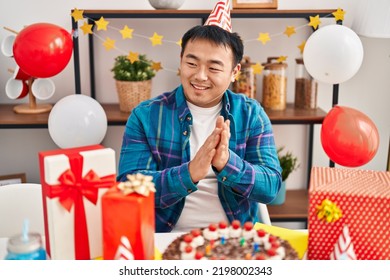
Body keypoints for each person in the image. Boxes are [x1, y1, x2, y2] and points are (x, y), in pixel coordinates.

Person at [117, 22, 281, 233]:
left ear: (234, 72)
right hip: (164, 238)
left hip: (233, 239)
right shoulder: (146, 115)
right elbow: (129, 188)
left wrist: (227, 163)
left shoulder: (251, 114)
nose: (200, 76)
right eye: (192, 63)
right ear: (180, 62)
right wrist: (190, 173)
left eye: (213, 68)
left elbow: (270, 187)